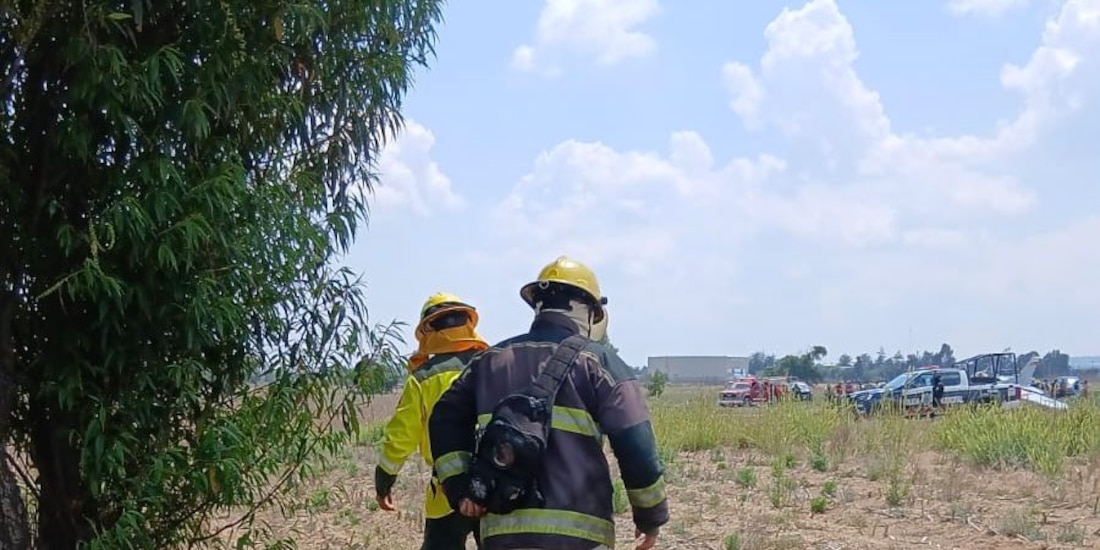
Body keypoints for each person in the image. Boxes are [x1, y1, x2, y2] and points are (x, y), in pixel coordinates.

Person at [428, 256, 669, 550]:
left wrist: (460, 486)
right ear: (589, 312)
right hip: (581, 538)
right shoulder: (601, 364)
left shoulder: (487, 362)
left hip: (503, 536)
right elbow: (637, 446)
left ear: (538, 307)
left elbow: (443, 418)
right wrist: (650, 516)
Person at [375, 292, 490, 550]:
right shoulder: (496, 365)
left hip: (446, 489)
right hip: (495, 484)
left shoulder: (423, 377)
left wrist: (384, 479)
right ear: (468, 325)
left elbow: (401, 437)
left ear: (428, 331)